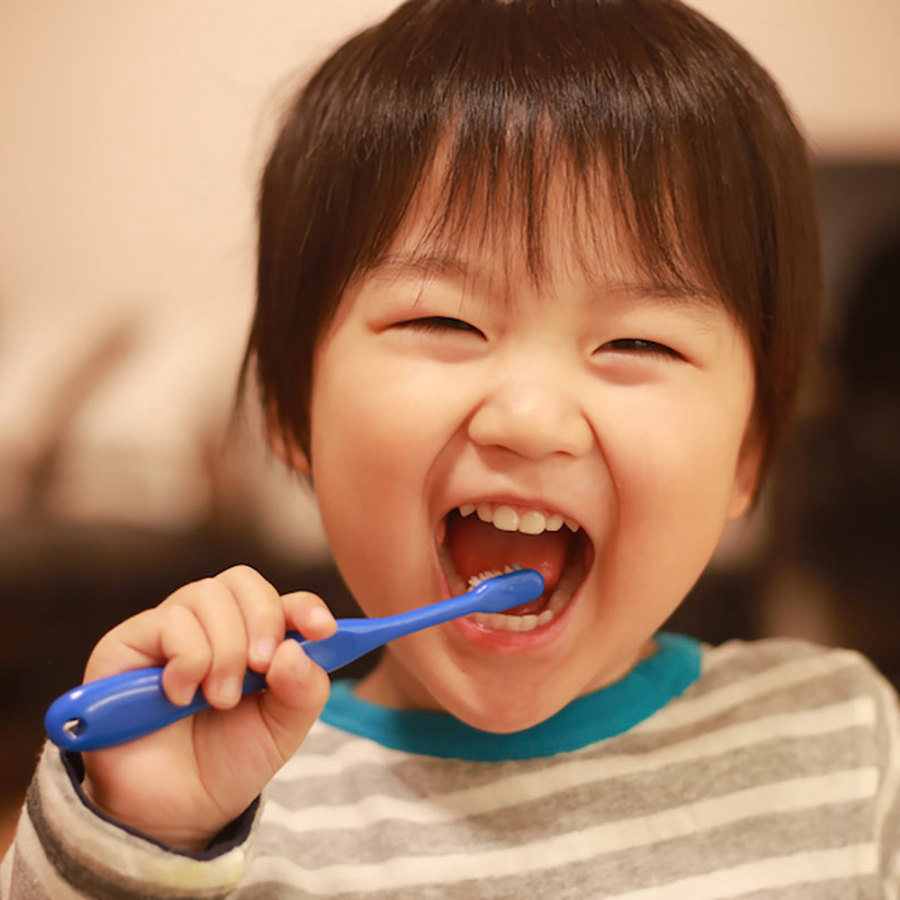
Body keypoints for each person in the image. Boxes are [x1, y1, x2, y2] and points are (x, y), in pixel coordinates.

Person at [3, 0, 898, 896]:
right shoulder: (220, 801)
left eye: (639, 343)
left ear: (749, 456)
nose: (530, 417)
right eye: (443, 318)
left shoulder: (842, 743)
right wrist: (140, 834)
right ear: (288, 410)